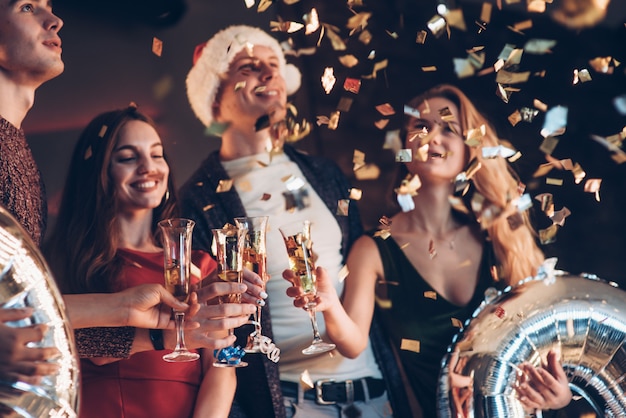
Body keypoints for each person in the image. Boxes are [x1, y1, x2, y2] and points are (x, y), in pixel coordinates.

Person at [283, 83, 573, 417]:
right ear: (405, 147)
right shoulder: (374, 248)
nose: (432, 137)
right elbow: (353, 343)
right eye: (420, 126)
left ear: (469, 151)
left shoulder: (501, 238)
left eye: (448, 128)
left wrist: (559, 396)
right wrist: (330, 303)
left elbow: (545, 349)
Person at [0, 0, 248, 387]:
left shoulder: (16, 147)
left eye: (156, 154)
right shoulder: (71, 253)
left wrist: (139, 320)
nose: (56, 19)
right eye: (28, 7)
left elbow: (28, 308)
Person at [181, 24, 410, 417]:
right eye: (249, 67)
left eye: (275, 64)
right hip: (290, 403)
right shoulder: (199, 198)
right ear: (215, 94)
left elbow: (359, 273)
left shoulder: (324, 174)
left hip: (374, 398)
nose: (271, 74)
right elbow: (211, 334)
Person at [44, 105, 260, 417]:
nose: (149, 167)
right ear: (98, 172)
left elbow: (222, 367)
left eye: (157, 154)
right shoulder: (65, 260)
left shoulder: (200, 265)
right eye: (128, 157)